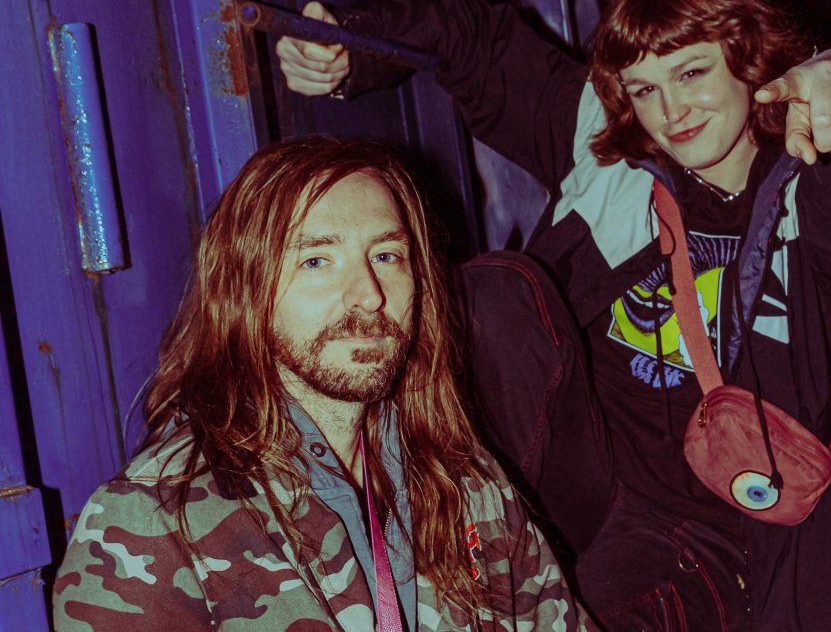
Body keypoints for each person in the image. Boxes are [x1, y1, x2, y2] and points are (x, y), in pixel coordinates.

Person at [276, 0, 831, 631]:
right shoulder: (610, 164)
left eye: (691, 73)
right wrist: (351, 44)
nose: (672, 111)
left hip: (738, 540)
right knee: (495, 298)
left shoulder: (815, 196)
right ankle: (449, 544)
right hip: (594, 496)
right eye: (645, 88)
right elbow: (477, 42)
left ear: (747, 58)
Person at [52, 138, 591, 631]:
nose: (369, 295)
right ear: (247, 291)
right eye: (317, 261)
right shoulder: (151, 521)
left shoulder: (466, 482)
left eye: (386, 256)